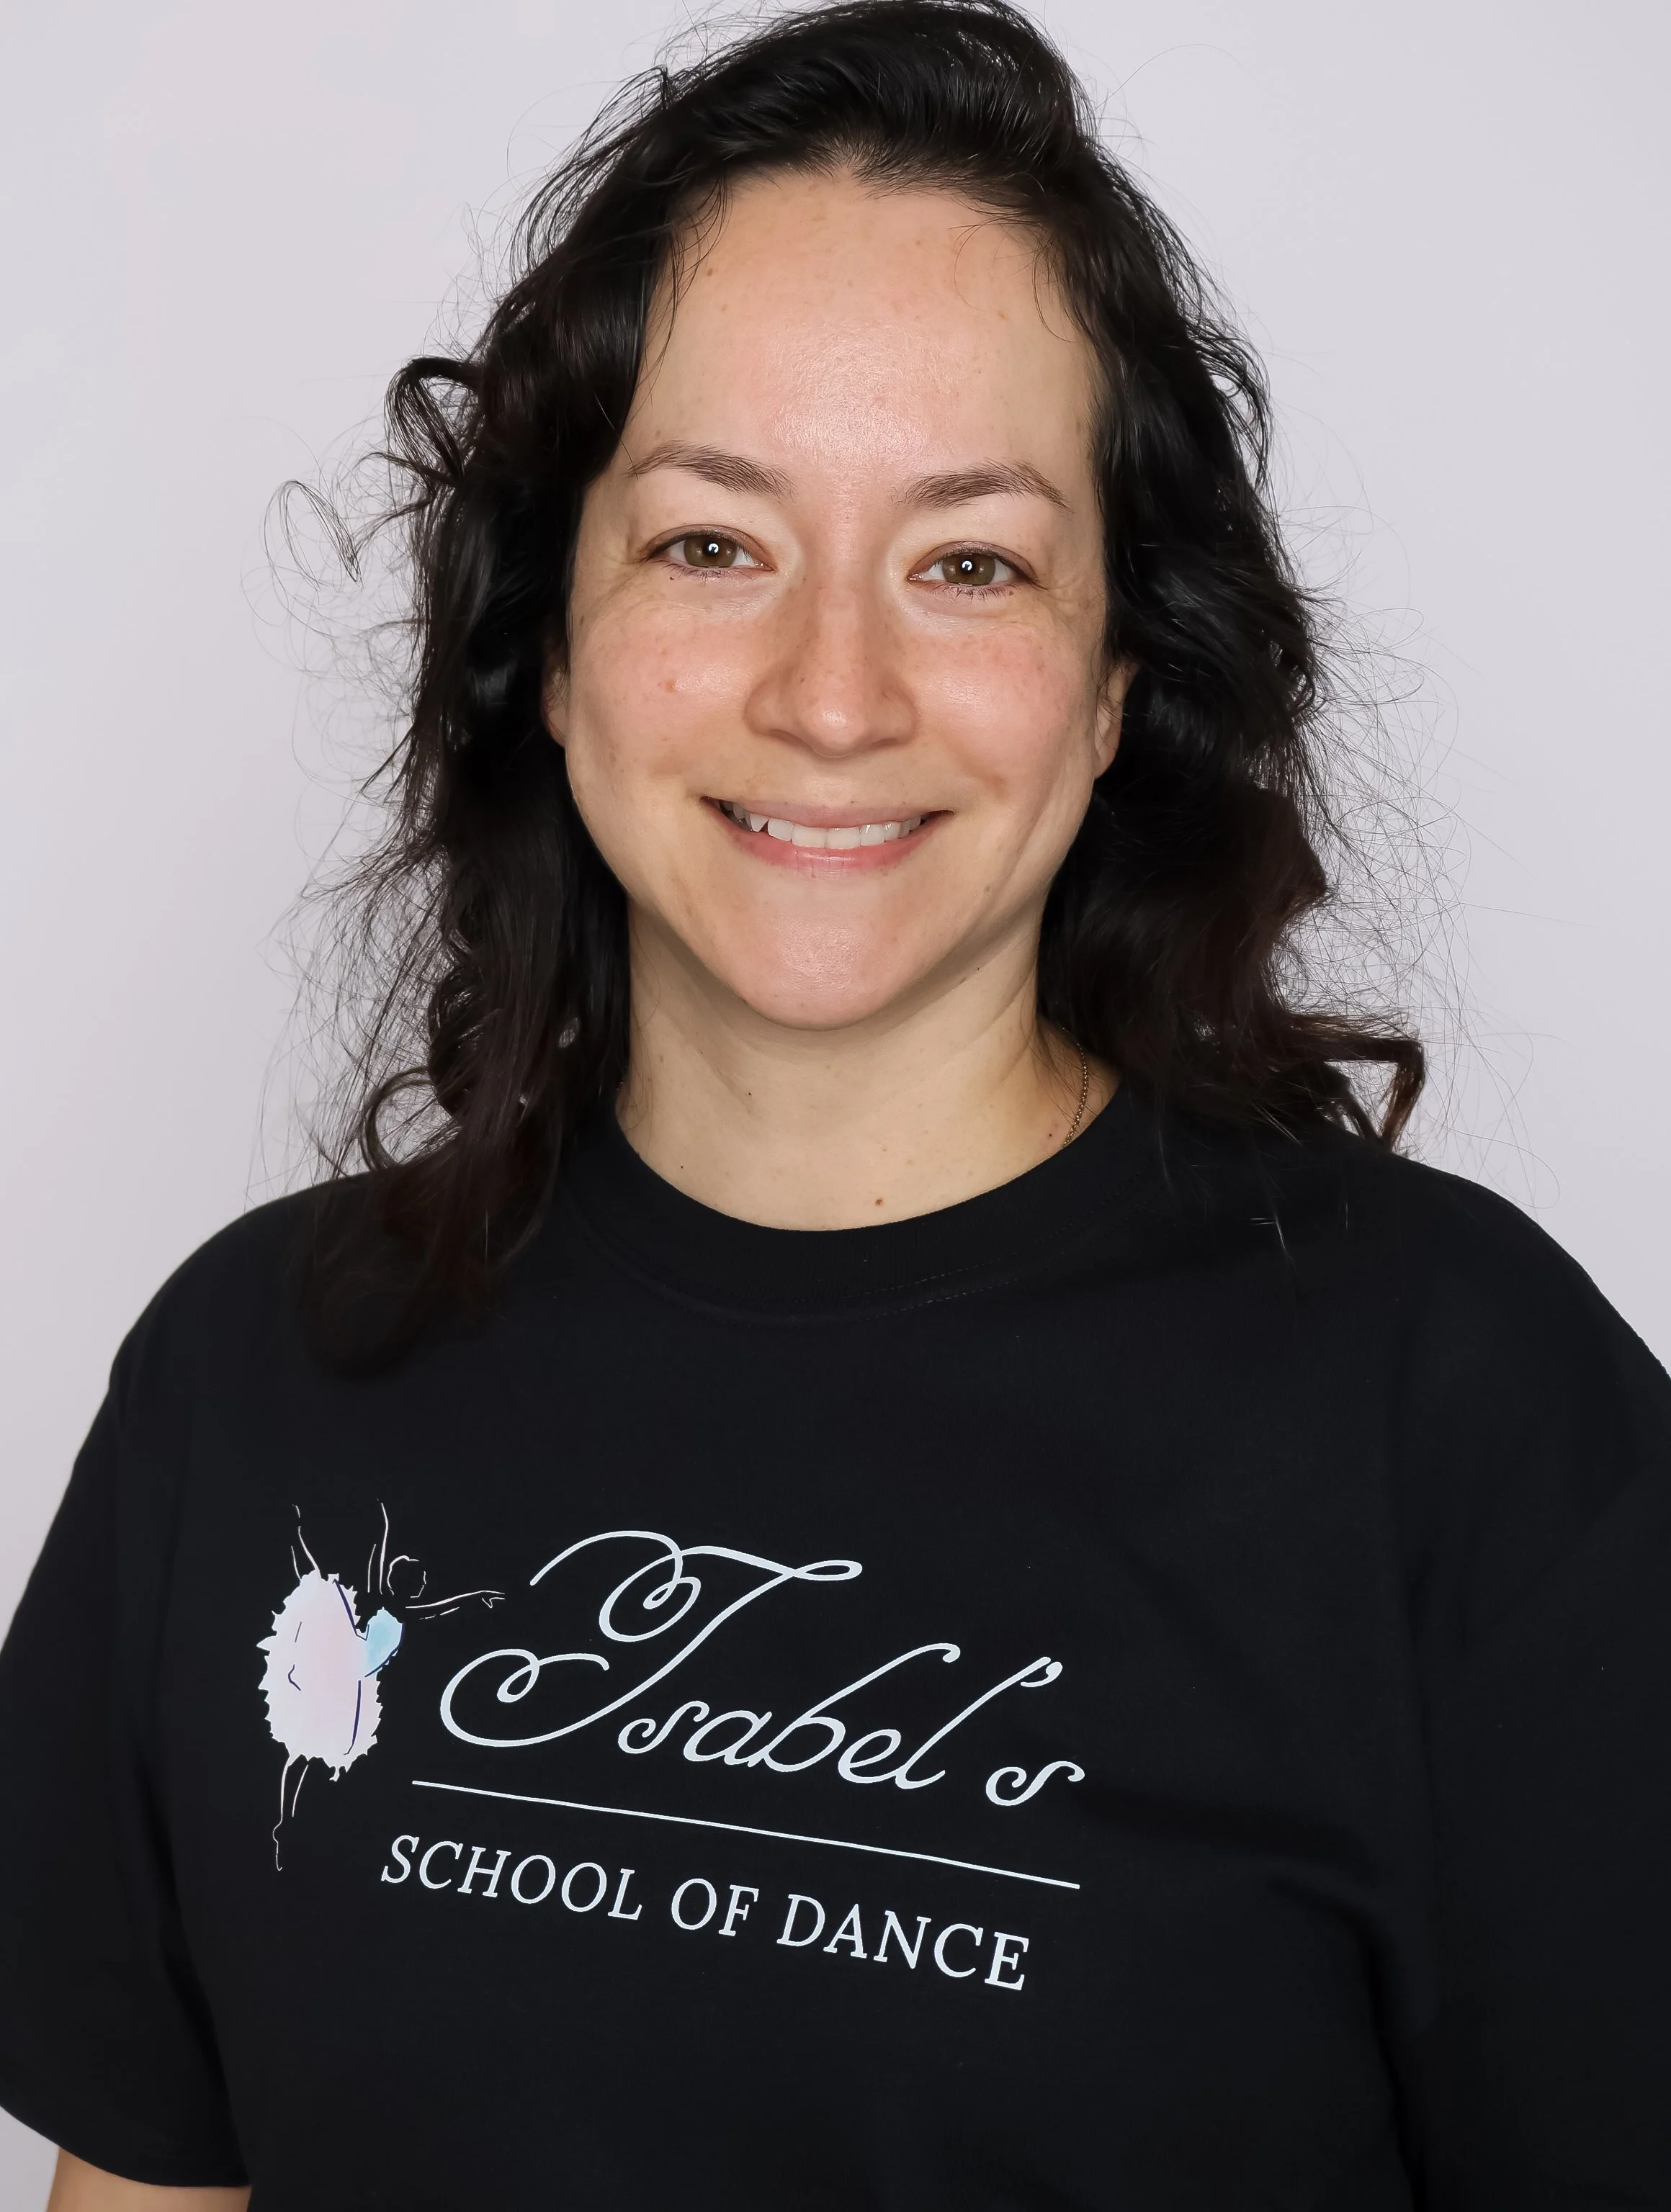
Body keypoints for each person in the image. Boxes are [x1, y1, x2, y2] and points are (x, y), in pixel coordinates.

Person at [4, 1, 1668, 2205]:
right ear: (554, 646)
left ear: (1112, 689)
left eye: (967, 559)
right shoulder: (256, 1378)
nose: (833, 691)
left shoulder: (1466, 1417)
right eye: (713, 543)